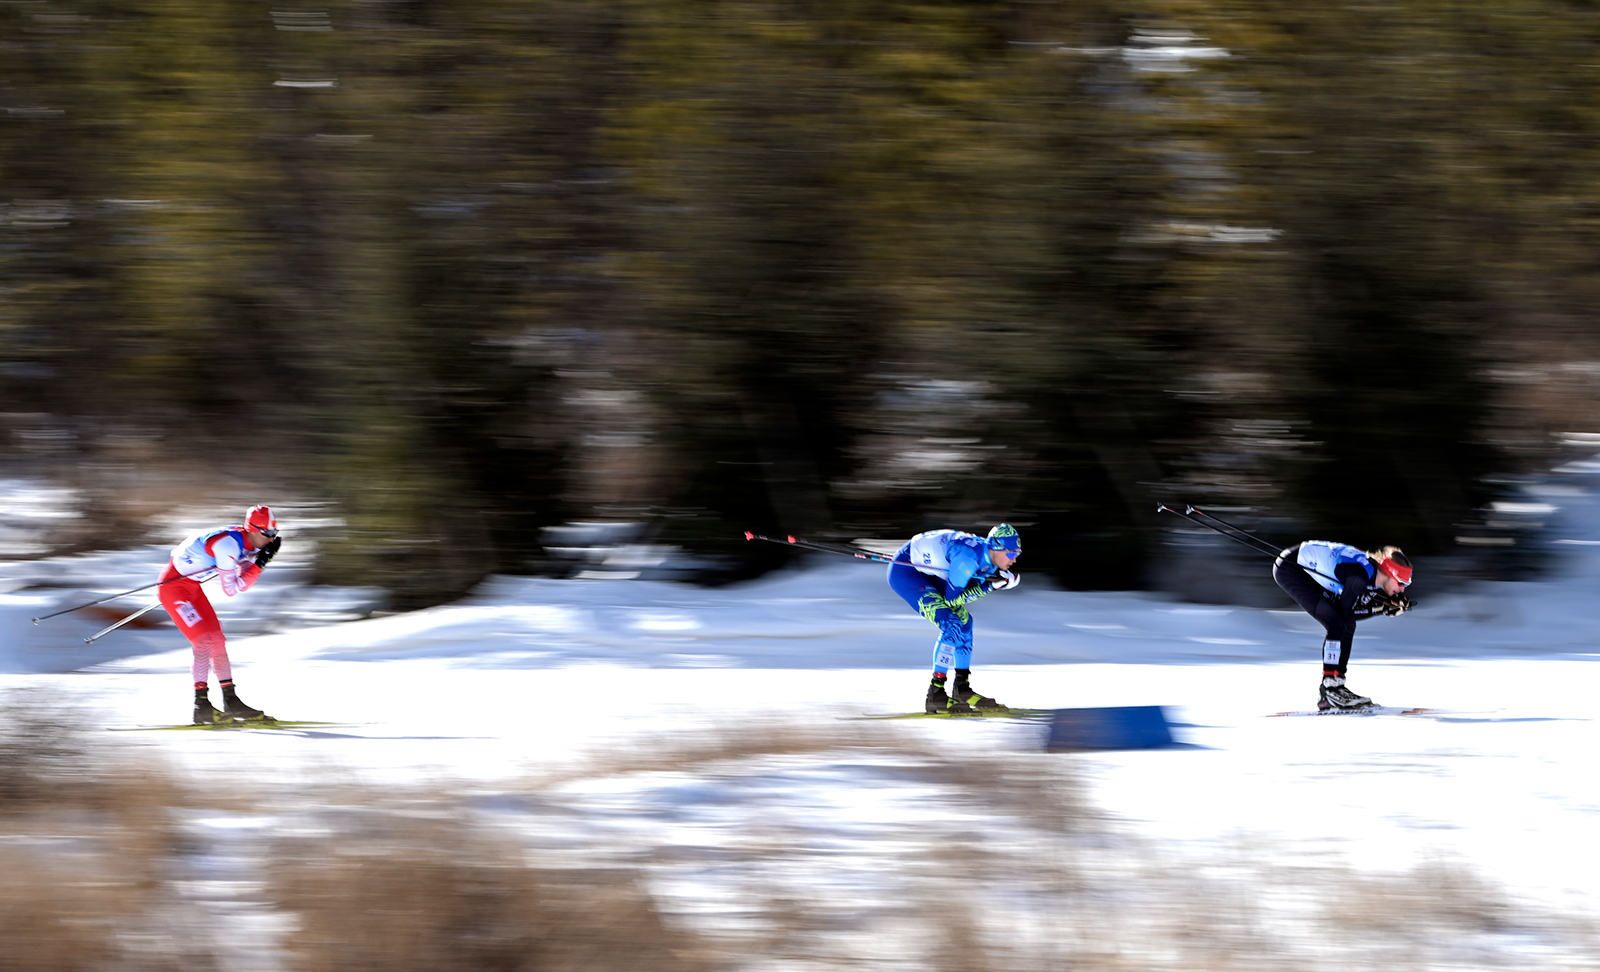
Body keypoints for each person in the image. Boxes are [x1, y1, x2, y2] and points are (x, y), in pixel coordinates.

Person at [158, 505, 283, 724]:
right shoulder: (228, 545)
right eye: (268, 535)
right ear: (253, 530)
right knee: (203, 641)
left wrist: (257, 562)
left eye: (275, 535)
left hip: (192, 588)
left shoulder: (246, 542)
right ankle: (201, 706)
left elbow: (241, 576)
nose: (271, 540)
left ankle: (231, 701)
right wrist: (260, 564)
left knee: (217, 640)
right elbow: (232, 589)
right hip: (173, 588)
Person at [887, 523, 1023, 713]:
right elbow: (952, 600)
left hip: (928, 567)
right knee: (952, 623)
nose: (1014, 559)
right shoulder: (968, 559)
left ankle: (962, 687)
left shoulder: (986, 555)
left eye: (1017, 554)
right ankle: (936, 692)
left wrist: (996, 579)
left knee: (966, 623)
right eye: (1011, 553)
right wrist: (990, 586)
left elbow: (971, 580)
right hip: (907, 572)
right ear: (996, 548)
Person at [1272, 540, 1413, 710]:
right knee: (1336, 623)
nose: (1403, 589)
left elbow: (1353, 612)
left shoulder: (1372, 576)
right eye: (1400, 583)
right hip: (1291, 568)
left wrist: (1383, 606)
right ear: (1389, 574)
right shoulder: (1358, 578)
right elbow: (1345, 614)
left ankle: (1337, 685)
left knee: (1346, 624)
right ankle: (1329, 690)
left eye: (1405, 584)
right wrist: (1380, 609)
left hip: (1304, 562)